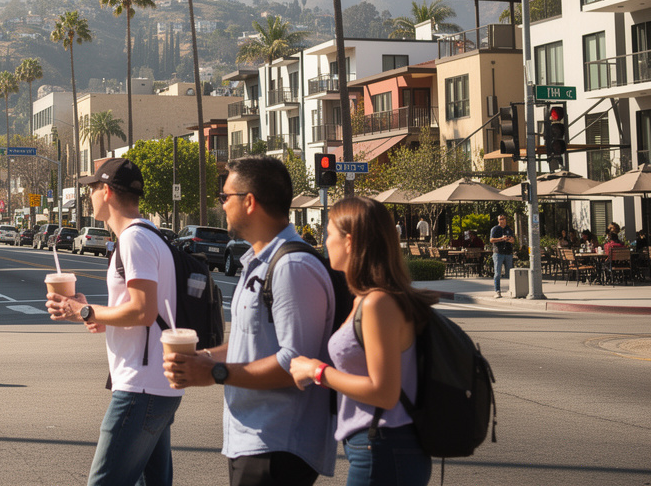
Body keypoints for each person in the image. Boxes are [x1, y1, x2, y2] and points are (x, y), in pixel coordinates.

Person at [163, 156, 336, 486]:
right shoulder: (259, 262)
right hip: (251, 440)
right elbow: (251, 341)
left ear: (250, 201)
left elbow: (296, 363)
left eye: (225, 196)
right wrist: (205, 358)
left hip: (277, 445)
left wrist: (215, 373)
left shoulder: (292, 267)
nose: (222, 204)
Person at [46, 157, 182, 486]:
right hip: (154, 385)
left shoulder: (134, 240)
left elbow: (143, 311)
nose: (88, 196)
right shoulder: (150, 235)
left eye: (91, 189)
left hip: (140, 387)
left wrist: (85, 312)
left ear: (106, 191)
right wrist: (90, 311)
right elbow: (141, 314)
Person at [288, 197, 436, 486]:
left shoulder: (377, 303)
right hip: (379, 445)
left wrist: (316, 371)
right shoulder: (368, 299)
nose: (324, 241)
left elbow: (383, 392)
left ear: (349, 241)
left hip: (384, 446)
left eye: (329, 233)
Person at [489, 214, 515, 298]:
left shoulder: (509, 229)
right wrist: (501, 239)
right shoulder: (495, 229)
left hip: (508, 253)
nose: (501, 220)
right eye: (500, 219)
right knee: (497, 273)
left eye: (503, 219)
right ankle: (497, 291)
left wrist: (510, 240)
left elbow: (513, 240)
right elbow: (491, 240)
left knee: (510, 273)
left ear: (505, 220)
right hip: (498, 253)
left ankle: (511, 290)